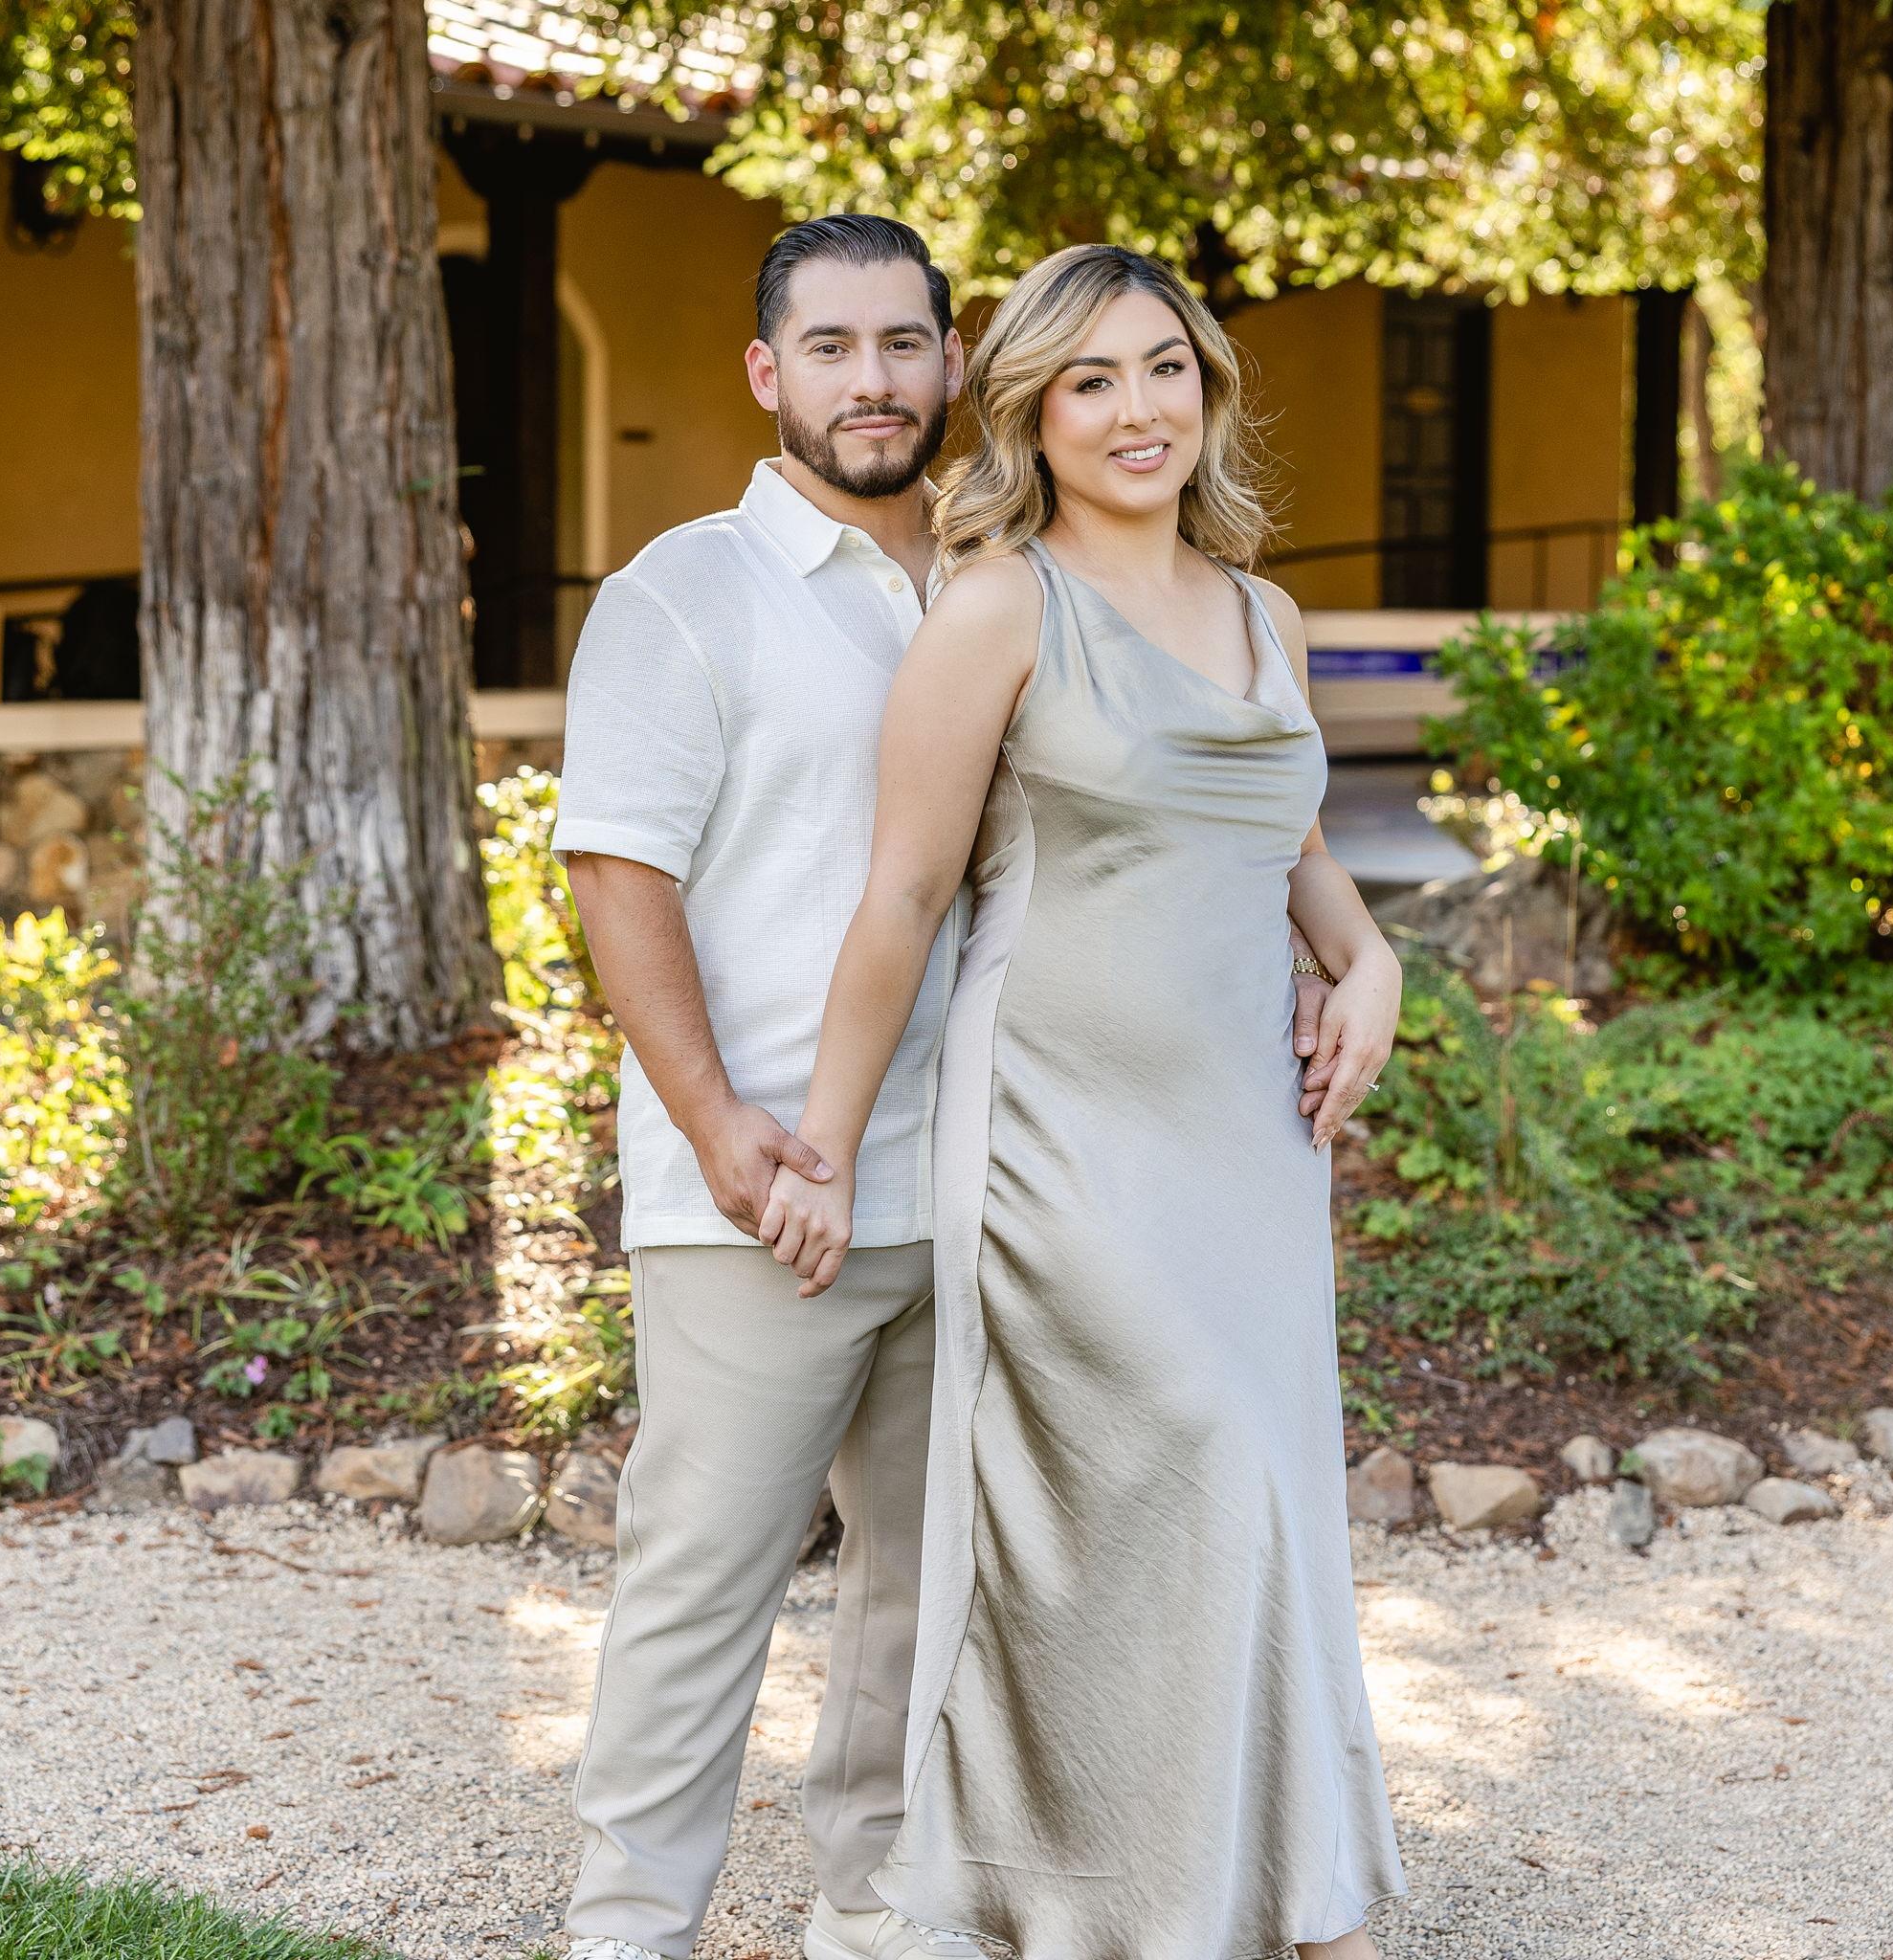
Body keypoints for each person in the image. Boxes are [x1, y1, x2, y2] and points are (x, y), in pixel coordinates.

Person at [756, 243, 1410, 1960]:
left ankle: (1282, 1889)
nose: (1138, 410)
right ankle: (1118, 1899)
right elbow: (905, 896)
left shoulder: (1264, 615)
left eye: (1165, 368)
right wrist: (825, 1145)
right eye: (1091, 380)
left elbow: (1294, 856)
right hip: (1059, 1132)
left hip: (1250, 1142)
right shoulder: (999, 609)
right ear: (1033, 415)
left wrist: (1374, 969)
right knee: (1184, 1468)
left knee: (1261, 1494)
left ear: (1209, 389)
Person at [552, 214, 983, 1960]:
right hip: (766, 1190)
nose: (872, 381)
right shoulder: (687, 592)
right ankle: (627, 1930)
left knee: (922, 1589)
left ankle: (872, 1908)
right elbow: (617, 873)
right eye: (831, 347)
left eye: (903, 342)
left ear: (953, 358)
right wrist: (717, 1123)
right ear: (766, 372)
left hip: (973, 1178)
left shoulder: (1001, 580)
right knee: (701, 1579)